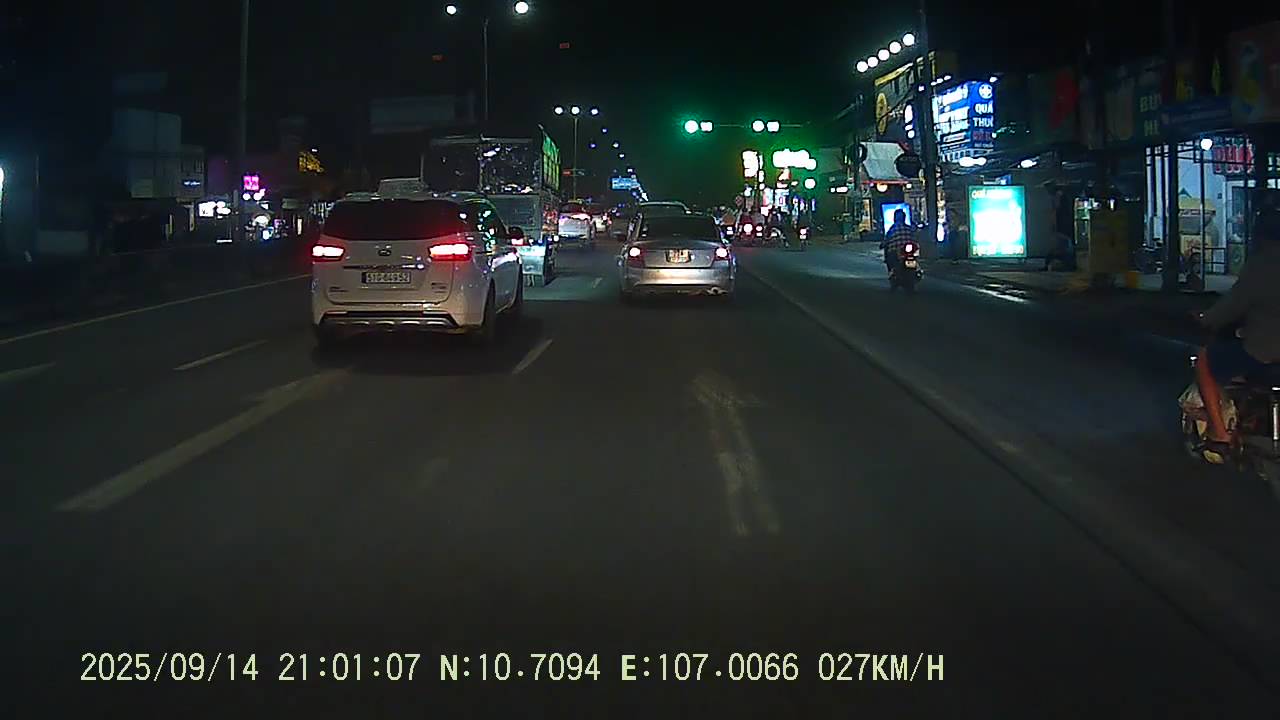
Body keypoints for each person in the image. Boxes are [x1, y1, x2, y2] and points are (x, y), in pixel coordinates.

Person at [1193, 200, 1280, 462]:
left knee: (1205, 360)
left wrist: (1206, 318)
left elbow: (1231, 307)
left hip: (1266, 352)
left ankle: (1220, 434)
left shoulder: (1262, 265)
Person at [1042, 185, 1077, 271]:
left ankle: (1066, 263)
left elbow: (1056, 212)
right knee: (1064, 245)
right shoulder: (1063, 201)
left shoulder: (1060, 200)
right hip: (1064, 227)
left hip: (1062, 227)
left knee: (1062, 245)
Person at [880, 208, 915, 273]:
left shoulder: (892, 229)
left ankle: (891, 271)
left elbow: (886, 241)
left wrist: (882, 245)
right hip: (910, 253)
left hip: (895, 254)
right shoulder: (909, 228)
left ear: (895, 219)